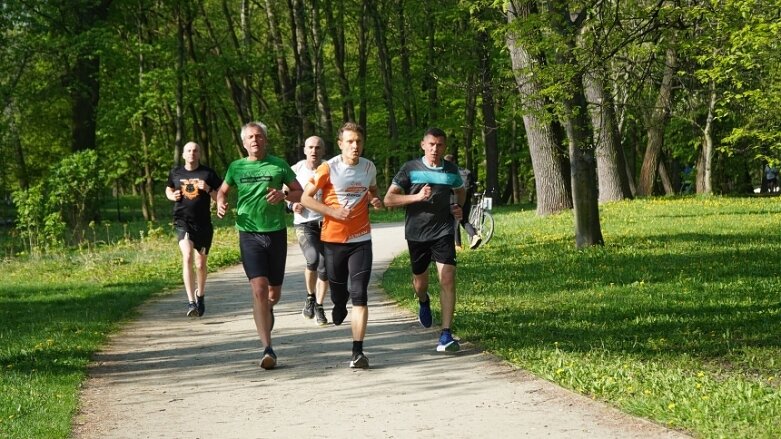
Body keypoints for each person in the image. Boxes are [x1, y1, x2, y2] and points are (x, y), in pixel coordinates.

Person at [216, 121, 303, 370]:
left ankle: (267, 310)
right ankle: (268, 348)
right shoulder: (236, 167)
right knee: (259, 289)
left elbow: (300, 192)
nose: (255, 140)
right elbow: (223, 191)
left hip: (275, 234)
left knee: (273, 294)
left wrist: (284, 195)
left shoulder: (279, 165)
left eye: (259, 136)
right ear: (244, 143)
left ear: (265, 140)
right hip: (249, 234)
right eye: (250, 137)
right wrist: (220, 203)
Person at [300, 122, 383, 369]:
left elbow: (373, 190)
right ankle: (337, 302)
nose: (355, 146)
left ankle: (358, 351)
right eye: (350, 141)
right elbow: (305, 198)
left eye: (358, 141)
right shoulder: (328, 168)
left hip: (361, 240)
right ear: (340, 144)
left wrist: (375, 200)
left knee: (360, 295)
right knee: (338, 292)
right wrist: (331, 211)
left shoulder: (369, 167)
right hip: (333, 240)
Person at [383, 128, 466, 353]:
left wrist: (457, 207)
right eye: (431, 144)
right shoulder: (410, 169)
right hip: (417, 233)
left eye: (440, 145)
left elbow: (460, 191)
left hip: (443, 231)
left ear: (444, 147)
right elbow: (388, 199)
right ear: (423, 145)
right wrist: (416, 197)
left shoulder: (451, 170)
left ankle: (446, 334)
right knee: (421, 282)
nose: (435, 149)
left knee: (447, 277)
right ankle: (422, 300)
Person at [165, 141, 222, 318]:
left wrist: (209, 189)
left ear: (199, 154)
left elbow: (221, 194)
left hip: (203, 224)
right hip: (183, 221)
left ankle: (200, 295)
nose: (192, 153)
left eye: (195, 150)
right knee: (188, 255)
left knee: (200, 263)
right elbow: (168, 189)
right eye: (188, 150)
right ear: (183, 154)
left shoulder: (208, 173)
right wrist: (171, 195)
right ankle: (191, 301)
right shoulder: (175, 172)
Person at [288, 136, 329, 326]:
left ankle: (319, 306)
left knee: (325, 266)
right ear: (304, 150)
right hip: (304, 224)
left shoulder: (330, 168)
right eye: (310, 147)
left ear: (323, 150)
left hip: (327, 224)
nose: (314, 151)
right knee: (313, 259)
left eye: (318, 147)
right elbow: (285, 194)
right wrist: (292, 204)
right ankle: (310, 296)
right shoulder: (295, 170)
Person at [444, 154, 481, 250]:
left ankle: (458, 245)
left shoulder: (450, 173)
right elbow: (473, 185)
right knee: (464, 220)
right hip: (467, 199)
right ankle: (474, 236)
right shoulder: (465, 171)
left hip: (455, 199)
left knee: (455, 221)